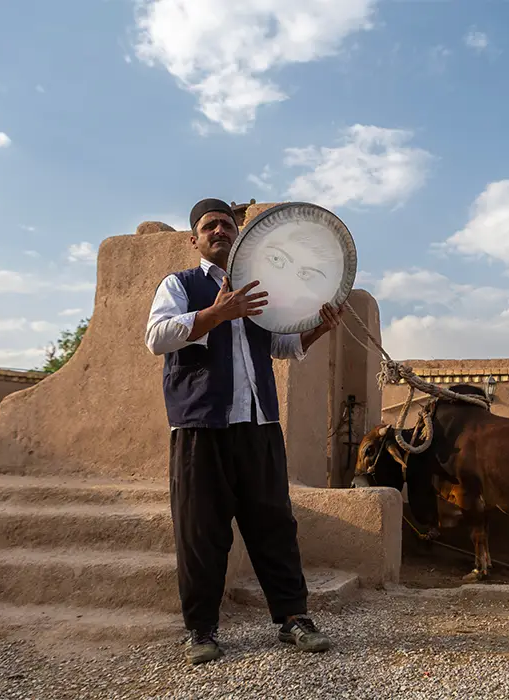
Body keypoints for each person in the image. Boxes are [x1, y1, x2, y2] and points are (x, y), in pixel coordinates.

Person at [144, 197, 342, 665]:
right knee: (201, 531)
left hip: (258, 425)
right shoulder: (180, 284)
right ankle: (201, 631)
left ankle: (293, 619)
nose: (221, 232)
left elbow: (281, 345)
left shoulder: (262, 288)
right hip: (200, 428)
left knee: (274, 525)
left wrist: (319, 329)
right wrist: (216, 314)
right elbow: (157, 337)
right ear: (194, 239)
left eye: (228, 225)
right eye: (210, 226)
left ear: (239, 235)